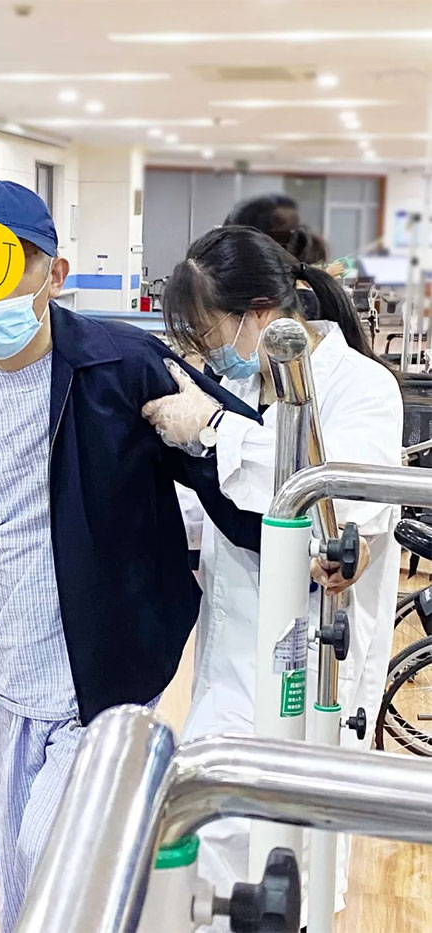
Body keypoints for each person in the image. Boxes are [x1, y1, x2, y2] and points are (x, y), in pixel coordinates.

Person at [0, 180, 265, 932]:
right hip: (0, 666)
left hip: (105, 662)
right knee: (13, 863)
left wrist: (293, 532)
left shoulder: (124, 365)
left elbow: (234, 460)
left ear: (56, 274)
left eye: (10, 269)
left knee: (54, 856)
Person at [142, 225, 403, 922]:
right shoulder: (241, 384)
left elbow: (337, 495)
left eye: (211, 332)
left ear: (260, 314)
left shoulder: (361, 387)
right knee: (213, 847)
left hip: (308, 664)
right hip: (230, 658)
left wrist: (216, 431)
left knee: (292, 858)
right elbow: (211, 511)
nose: (211, 352)